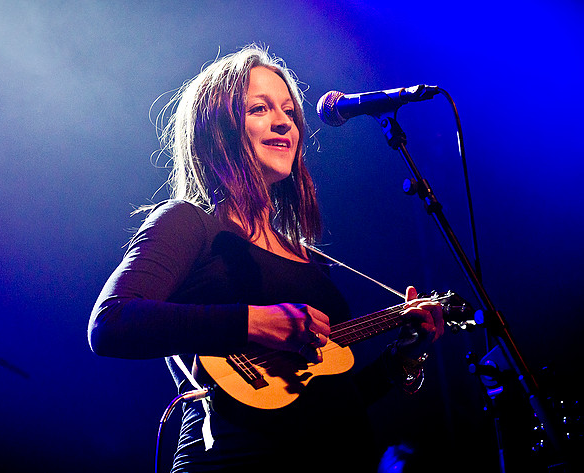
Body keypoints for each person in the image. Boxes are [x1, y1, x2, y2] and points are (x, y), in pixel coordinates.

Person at [88, 44, 444, 472]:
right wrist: (253, 322)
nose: (284, 123)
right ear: (219, 130)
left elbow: (323, 400)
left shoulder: (310, 259)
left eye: (290, 112)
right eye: (259, 109)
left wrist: (402, 357)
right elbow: (110, 323)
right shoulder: (188, 224)